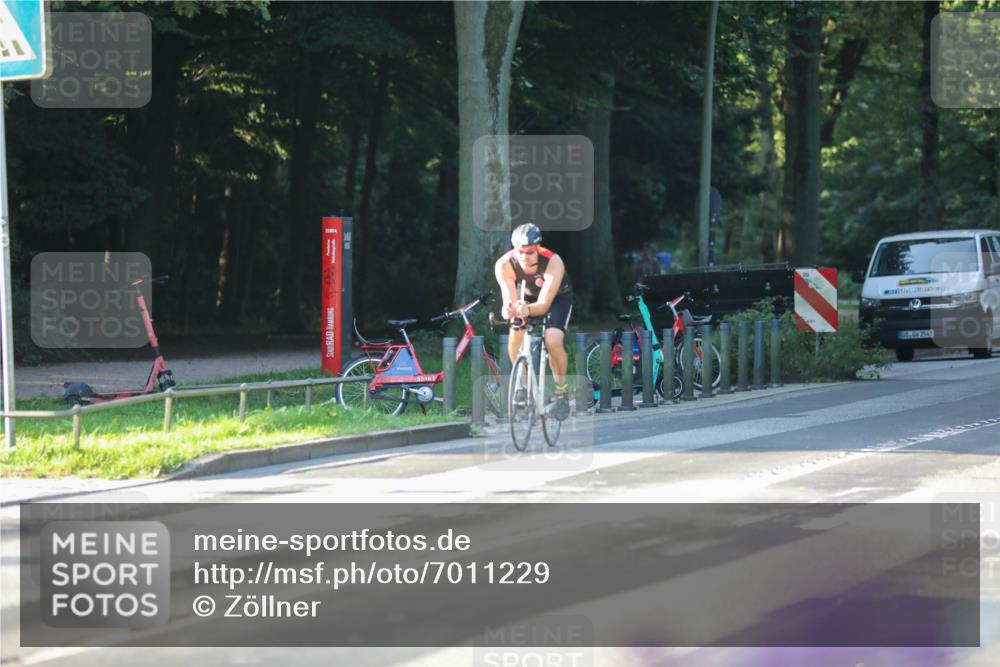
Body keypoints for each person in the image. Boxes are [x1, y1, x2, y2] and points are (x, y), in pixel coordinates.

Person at [494, 223, 573, 420]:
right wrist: (509, 309)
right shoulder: (504, 265)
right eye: (520, 252)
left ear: (538, 248)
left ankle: (561, 392)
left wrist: (528, 309)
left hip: (556, 298)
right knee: (515, 329)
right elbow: (510, 300)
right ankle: (525, 385)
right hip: (526, 297)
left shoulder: (553, 261)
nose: (525, 257)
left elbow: (545, 304)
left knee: (553, 339)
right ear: (514, 249)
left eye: (530, 252)